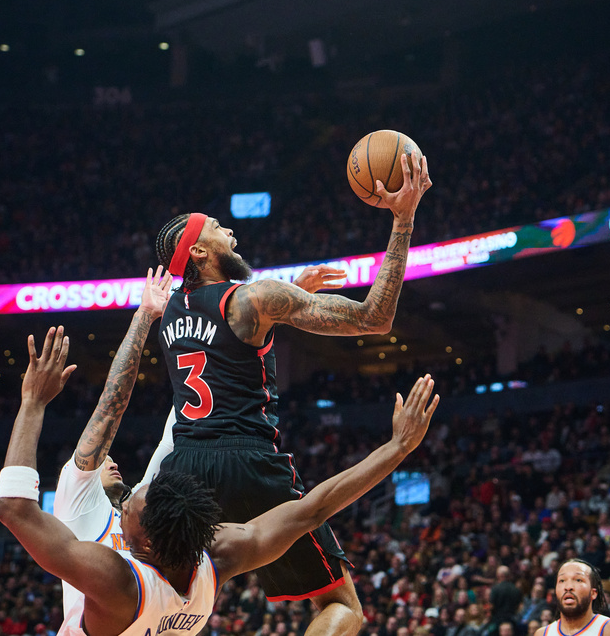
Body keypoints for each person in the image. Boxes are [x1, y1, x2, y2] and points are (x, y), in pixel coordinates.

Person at [0, 322, 440, 636]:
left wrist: (32, 403)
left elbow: (12, 508)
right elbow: (315, 507)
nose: (127, 500)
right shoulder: (215, 557)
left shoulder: (117, 581)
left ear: (140, 542)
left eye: (128, 506)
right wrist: (398, 448)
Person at [153, 149, 431, 635]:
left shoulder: (169, 312)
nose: (232, 232)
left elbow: (226, 340)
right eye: (219, 228)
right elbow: (375, 317)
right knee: (340, 603)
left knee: (162, 606)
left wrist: (289, 297)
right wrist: (403, 220)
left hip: (182, 470)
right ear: (198, 251)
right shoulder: (257, 297)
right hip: (247, 462)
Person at [51, 267, 175, 634]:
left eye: (111, 458)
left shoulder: (141, 505)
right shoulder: (78, 501)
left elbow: (173, 433)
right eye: (104, 459)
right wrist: (144, 316)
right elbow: (109, 409)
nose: (113, 460)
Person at [534, 560, 610, 636]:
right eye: (562, 580)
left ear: (593, 593)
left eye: (578, 580)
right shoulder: (542, 634)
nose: (568, 587)